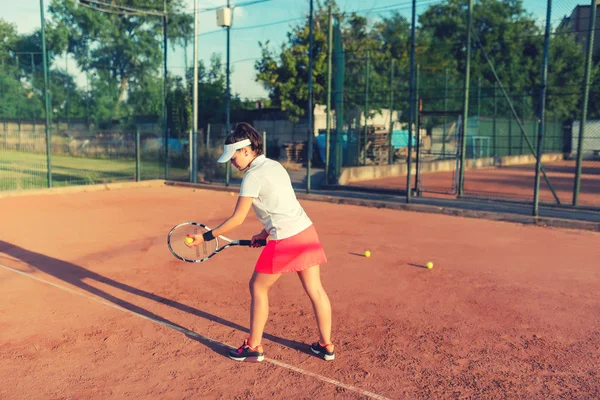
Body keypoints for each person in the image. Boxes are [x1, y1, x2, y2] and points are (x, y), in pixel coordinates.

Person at [186, 122, 334, 362]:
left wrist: (205, 237)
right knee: (316, 290)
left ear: (246, 150)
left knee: (258, 287)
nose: (232, 162)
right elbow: (280, 205)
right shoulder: (275, 166)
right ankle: (326, 345)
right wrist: (263, 234)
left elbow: (237, 219)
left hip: (286, 240)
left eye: (233, 157)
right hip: (307, 233)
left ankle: (254, 347)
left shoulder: (252, 177)